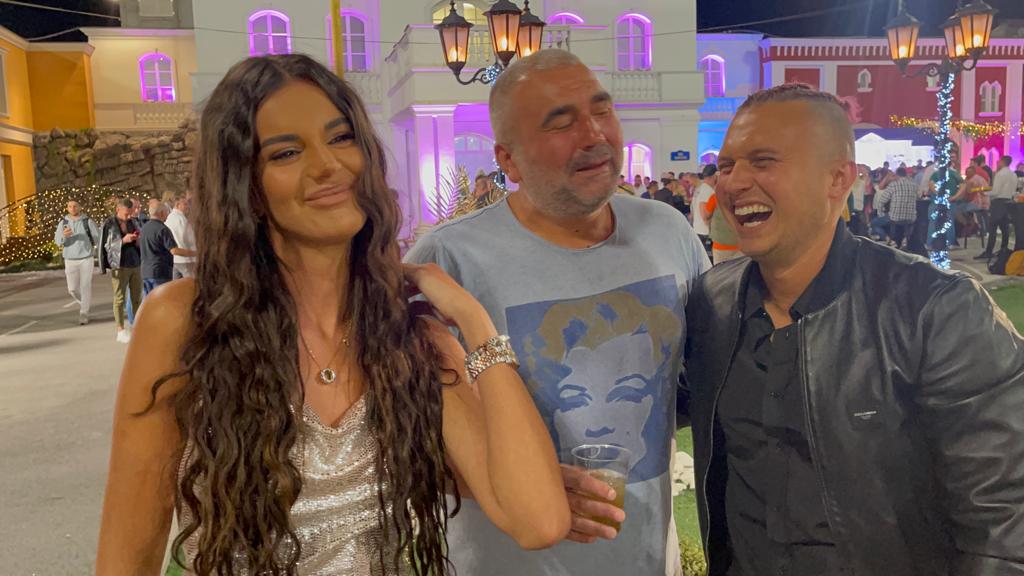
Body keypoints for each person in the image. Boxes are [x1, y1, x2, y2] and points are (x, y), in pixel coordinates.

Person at [96, 54, 570, 576]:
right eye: (286, 152)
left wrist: (474, 321)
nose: (328, 166)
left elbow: (539, 521)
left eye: (341, 138)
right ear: (246, 187)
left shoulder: (411, 337)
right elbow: (128, 557)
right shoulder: (185, 322)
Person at [683, 83, 1024, 576]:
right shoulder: (712, 303)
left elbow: (1005, 524)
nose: (733, 183)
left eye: (763, 161)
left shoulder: (936, 311)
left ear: (838, 179)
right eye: (727, 165)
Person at [406, 49, 709, 576]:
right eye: (560, 122)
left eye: (602, 110)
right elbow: (395, 442)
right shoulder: (448, 262)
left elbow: (696, 384)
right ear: (508, 160)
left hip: (646, 560)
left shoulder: (668, 232)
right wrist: (521, 491)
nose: (594, 134)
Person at [100, 198, 143, 343]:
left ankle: (137, 327)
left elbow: (140, 239)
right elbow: (106, 246)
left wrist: (137, 239)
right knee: (119, 298)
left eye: (130, 213)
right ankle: (120, 329)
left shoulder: (133, 222)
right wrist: (123, 241)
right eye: (126, 213)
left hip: (135, 263)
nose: (129, 216)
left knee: (137, 298)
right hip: (119, 265)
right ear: (118, 210)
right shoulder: (109, 224)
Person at [54, 199, 100, 325]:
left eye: (75, 206)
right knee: (72, 289)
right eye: (70, 206)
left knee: (85, 286)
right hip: (70, 259)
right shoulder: (63, 223)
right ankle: (85, 304)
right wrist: (64, 236)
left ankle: (84, 312)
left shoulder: (87, 221)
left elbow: (97, 238)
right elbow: (58, 241)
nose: (73, 208)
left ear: (80, 207)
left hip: (86, 258)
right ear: (67, 208)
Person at [139, 202, 195, 297]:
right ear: (162, 213)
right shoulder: (162, 229)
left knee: (148, 300)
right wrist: (195, 253)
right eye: (166, 212)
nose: (167, 214)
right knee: (161, 299)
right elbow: (174, 250)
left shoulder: (144, 228)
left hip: (145, 271)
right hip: (160, 272)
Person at [976, 155, 1016, 260]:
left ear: (1002, 162)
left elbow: (996, 191)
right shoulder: (1013, 175)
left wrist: (984, 193)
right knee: (1005, 229)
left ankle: (989, 251)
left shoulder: (1000, 174)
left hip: (998, 203)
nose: (997, 163)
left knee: (993, 228)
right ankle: (1003, 250)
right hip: (1009, 203)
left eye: (999, 161)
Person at [874, 167, 918, 249]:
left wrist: (880, 214)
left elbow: (882, 201)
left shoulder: (893, 185)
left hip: (895, 217)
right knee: (902, 224)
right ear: (905, 174)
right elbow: (918, 197)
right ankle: (904, 240)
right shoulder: (914, 185)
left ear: (897, 175)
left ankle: (889, 240)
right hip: (911, 217)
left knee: (874, 223)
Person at [164, 195, 197, 279]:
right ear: (177, 205)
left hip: (175, 260)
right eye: (185, 204)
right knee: (191, 285)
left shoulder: (169, 218)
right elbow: (189, 239)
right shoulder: (181, 219)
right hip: (187, 259)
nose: (188, 207)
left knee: (177, 285)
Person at [704, 191, 740, 263]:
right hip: (741, 247)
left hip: (720, 246)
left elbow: (706, 216)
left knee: (721, 269)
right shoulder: (743, 197)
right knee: (741, 269)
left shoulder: (715, 197)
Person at [692, 164, 718, 246]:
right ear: (714, 176)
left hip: (697, 228)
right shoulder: (708, 191)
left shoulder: (699, 188)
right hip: (705, 232)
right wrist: (712, 229)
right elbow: (704, 214)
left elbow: (693, 209)